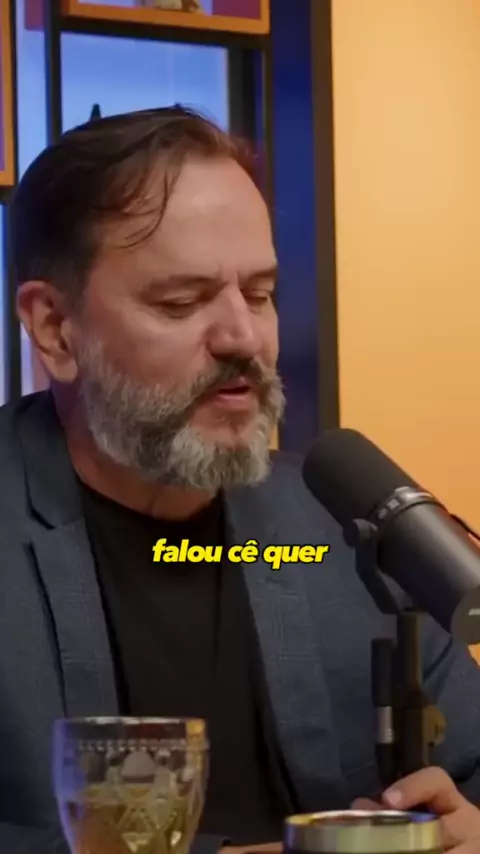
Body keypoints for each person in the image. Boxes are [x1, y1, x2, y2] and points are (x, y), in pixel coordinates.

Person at [2, 105, 480, 854]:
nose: (243, 337)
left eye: (259, 294)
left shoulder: (344, 526)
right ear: (55, 329)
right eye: (181, 302)